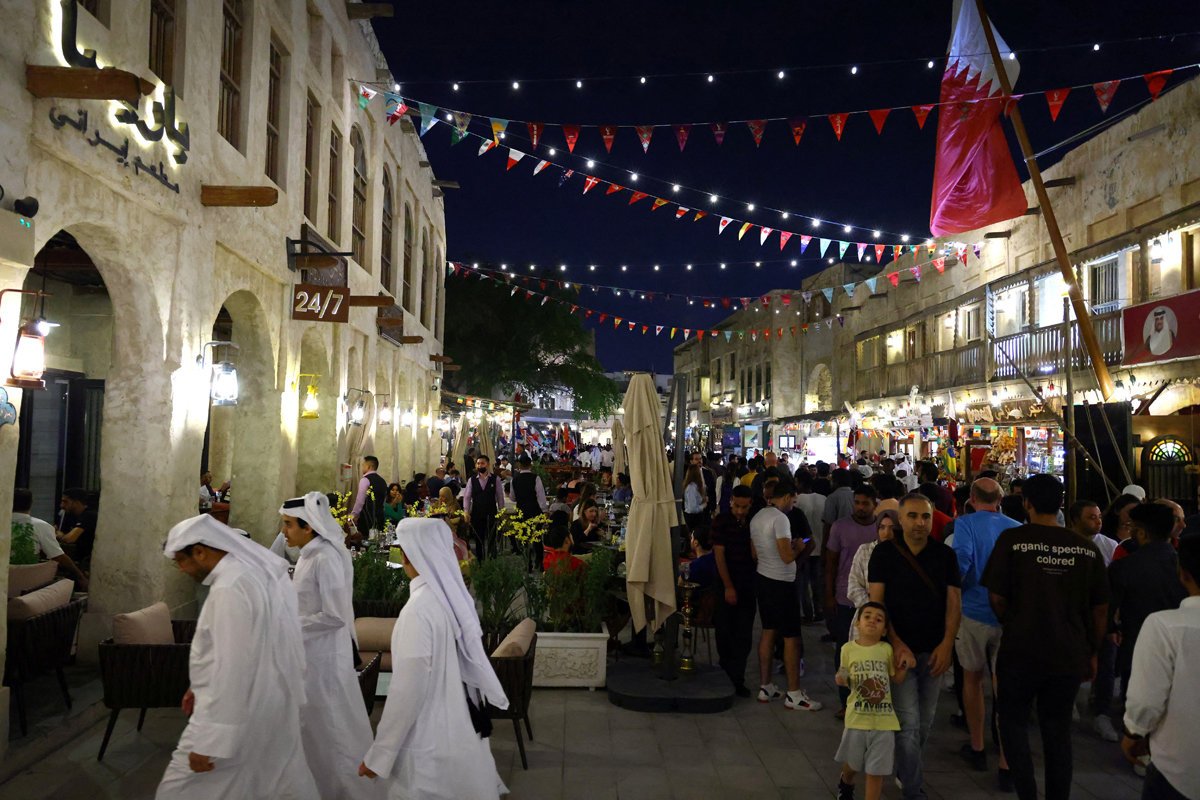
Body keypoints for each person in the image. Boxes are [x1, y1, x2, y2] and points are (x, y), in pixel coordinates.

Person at [158, 515, 318, 800]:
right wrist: (198, 685)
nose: (182, 570)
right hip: (267, 700)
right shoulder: (252, 573)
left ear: (200, 551)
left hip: (235, 712)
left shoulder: (229, 588)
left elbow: (232, 665)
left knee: (176, 790)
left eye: (181, 561)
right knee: (272, 784)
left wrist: (209, 739)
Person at [359, 518, 508, 798]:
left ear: (407, 556)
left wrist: (379, 755)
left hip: (430, 740)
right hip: (461, 728)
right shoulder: (451, 599)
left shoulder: (419, 611)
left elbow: (407, 691)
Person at [982, 474, 1109, 800]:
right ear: (1062, 504)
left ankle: (1026, 792)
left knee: (1012, 724)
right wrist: (1092, 650)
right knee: (1057, 731)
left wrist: (1013, 620)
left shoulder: (1013, 541)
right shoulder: (1085, 549)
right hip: (1067, 653)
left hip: (1020, 650)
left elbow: (996, 596)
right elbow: (1100, 608)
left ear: (1026, 503)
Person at [278, 493, 384, 800]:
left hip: (324, 656)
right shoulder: (309, 555)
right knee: (313, 728)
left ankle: (347, 790)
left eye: (288, 524)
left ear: (308, 526)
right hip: (309, 653)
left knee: (333, 727)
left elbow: (334, 615)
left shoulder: (324, 558)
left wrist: (290, 625)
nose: (284, 531)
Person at [868, 492, 962, 800]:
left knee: (924, 722)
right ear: (900, 519)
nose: (919, 523)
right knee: (908, 723)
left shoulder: (944, 556)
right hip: (901, 654)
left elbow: (953, 603)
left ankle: (905, 770)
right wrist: (895, 644)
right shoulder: (884, 555)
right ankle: (912, 789)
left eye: (925, 517)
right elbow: (876, 604)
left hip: (934, 650)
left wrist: (948, 644)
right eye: (912, 516)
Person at [1121, 535, 1200, 800]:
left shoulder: (1165, 626)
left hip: (1179, 768)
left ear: (1183, 574)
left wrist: (1134, 732)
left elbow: (1147, 699)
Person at [949, 478, 1018, 781]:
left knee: (972, 680)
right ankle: (1006, 760)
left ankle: (977, 746)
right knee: (1005, 689)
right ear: (999, 499)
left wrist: (955, 593)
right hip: (1007, 617)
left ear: (972, 498)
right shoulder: (1016, 526)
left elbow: (961, 561)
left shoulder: (965, 524)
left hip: (974, 613)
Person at [1107, 502, 1187, 748]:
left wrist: (1112, 629)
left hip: (1137, 641)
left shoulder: (1125, 567)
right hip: (1182, 642)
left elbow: (1110, 608)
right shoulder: (1183, 564)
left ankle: (1139, 744)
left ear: (1141, 532)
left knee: (1139, 691)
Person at [750, 476, 822, 711]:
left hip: (763, 578)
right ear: (787, 496)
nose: (794, 505)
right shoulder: (780, 519)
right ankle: (793, 693)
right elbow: (786, 556)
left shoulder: (757, 516)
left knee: (769, 631)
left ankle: (766, 686)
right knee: (791, 637)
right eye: (793, 500)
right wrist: (798, 547)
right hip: (782, 581)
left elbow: (755, 553)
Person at [834, 602, 908, 800]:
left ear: (884, 630)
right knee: (853, 763)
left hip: (884, 721)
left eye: (879, 619)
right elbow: (843, 671)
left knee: (876, 770)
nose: (872, 621)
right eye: (867, 616)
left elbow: (895, 679)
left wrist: (903, 667)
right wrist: (841, 677)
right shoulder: (848, 649)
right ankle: (846, 781)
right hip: (857, 718)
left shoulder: (886, 650)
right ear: (857, 623)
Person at [826, 485, 880, 718]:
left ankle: (869, 698)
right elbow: (831, 562)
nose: (859, 507)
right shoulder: (840, 527)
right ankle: (845, 700)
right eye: (856, 503)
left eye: (864, 503)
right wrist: (828, 594)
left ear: (874, 505)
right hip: (845, 598)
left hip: (874, 600)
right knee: (845, 650)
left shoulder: (881, 528)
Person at [712, 485, 758, 697]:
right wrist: (728, 586)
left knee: (743, 634)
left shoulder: (753, 522)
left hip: (748, 584)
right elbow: (719, 555)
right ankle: (725, 674)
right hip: (725, 583)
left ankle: (737, 678)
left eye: (744, 507)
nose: (740, 511)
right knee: (724, 631)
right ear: (731, 502)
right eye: (737, 506)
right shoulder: (721, 522)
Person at [11, 488, 88, 590]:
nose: (62, 506)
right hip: (27, 584)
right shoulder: (41, 526)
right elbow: (59, 557)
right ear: (31, 503)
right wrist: (80, 576)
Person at [795, 469, 828, 624]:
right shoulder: (823, 499)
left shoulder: (798, 500)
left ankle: (808, 613)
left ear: (799, 482)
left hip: (805, 546)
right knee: (817, 581)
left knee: (803, 582)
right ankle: (819, 610)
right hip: (821, 545)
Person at [462, 455, 505, 560]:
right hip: (477, 512)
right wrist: (466, 511)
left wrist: (502, 511)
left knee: (491, 538)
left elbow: (500, 496)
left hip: (491, 512)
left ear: (488, 464)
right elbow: (467, 497)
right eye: (478, 463)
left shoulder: (495, 479)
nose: (479, 465)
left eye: (482, 463)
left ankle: (491, 560)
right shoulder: (472, 480)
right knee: (478, 538)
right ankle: (480, 561)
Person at [56, 487, 97, 567]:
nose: (62, 505)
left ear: (76, 502)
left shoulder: (88, 515)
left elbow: (70, 539)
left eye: (65, 502)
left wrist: (61, 536)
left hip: (85, 562)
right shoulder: (71, 516)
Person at [350, 456, 389, 536]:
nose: (361, 468)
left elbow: (360, 501)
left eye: (363, 465)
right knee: (378, 541)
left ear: (368, 466)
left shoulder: (365, 480)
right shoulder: (383, 481)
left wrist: (353, 515)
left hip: (367, 518)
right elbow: (384, 500)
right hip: (380, 516)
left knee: (366, 541)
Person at [509, 455, 548, 520]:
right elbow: (540, 496)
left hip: (520, 511)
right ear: (530, 465)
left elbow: (512, 498)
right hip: (534, 511)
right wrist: (545, 510)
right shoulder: (536, 478)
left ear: (519, 465)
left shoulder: (514, 480)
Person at [683, 463, 709, 533]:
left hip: (695, 517)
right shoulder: (691, 488)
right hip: (693, 518)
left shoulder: (695, 486)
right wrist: (704, 505)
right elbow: (692, 508)